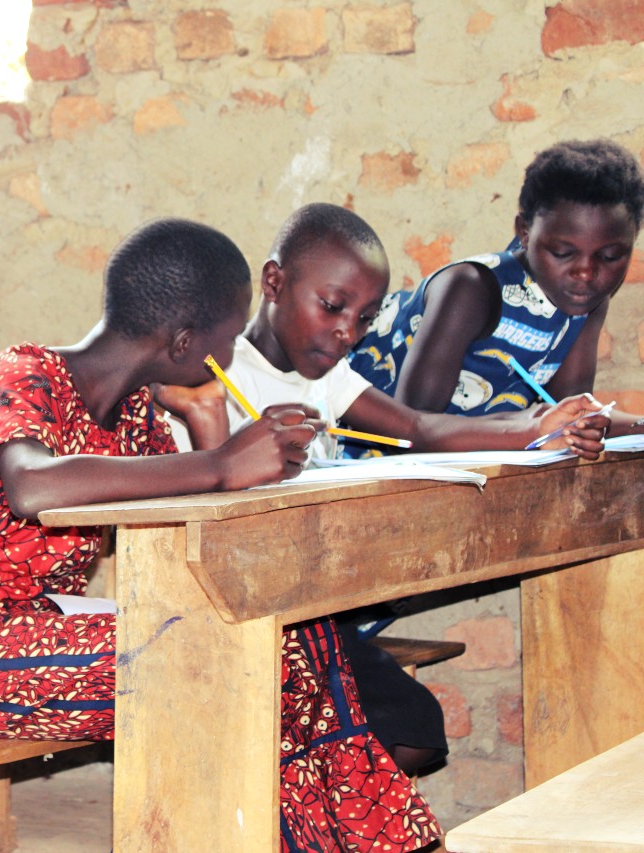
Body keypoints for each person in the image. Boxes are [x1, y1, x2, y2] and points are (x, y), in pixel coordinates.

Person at [0, 217, 443, 850]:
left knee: (297, 635)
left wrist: (219, 433)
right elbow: (33, 487)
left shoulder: (132, 416)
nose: (233, 355)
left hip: (52, 629)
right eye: (231, 338)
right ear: (185, 344)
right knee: (228, 665)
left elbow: (199, 530)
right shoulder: (20, 375)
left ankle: (375, 842)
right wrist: (220, 462)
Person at [221, 202, 609, 777]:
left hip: (306, 608)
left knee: (417, 730)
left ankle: (304, 809)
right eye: (332, 306)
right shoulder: (218, 374)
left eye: (365, 317)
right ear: (274, 282)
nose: (347, 331)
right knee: (387, 730)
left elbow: (417, 427)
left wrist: (532, 428)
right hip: (246, 610)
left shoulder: (326, 377)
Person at [350, 139, 644, 435]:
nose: (586, 272)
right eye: (562, 253)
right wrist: (527, 428)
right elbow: (412, 425)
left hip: (474, 453)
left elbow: (570, 414)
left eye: (610, 256)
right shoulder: (472, 289)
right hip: (359, 454)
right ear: (524, 232)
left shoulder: (587, 300)